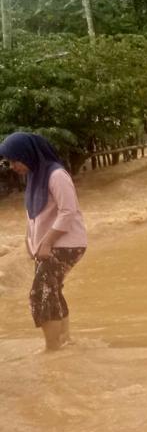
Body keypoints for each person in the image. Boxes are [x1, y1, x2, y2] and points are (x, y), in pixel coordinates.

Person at [0, 132, 87, 351]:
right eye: (8, 161)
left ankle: (52, 349)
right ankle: (65, 342)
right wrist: (29, 242)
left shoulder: (56, 175)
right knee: (53, 289)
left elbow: (69, 211)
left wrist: (46, 242)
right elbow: (34, 216)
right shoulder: (34, 176)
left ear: (28, 155)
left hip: (66, 244)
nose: (12, 166)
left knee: (40, 293)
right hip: (50, 245)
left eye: (14, 160)